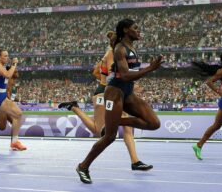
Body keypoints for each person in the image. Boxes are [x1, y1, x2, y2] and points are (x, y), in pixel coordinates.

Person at [76, 19, 163, 184]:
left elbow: (129, 76)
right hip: (114, 93)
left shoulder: (131, 47)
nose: (139, 30)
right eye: (135, 28)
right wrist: (150, 68)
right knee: (110, 137)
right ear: (125, 30)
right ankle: (83, 166)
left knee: (153, 123)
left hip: (127, 92)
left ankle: (115, 123)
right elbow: (124, 75)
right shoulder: (119, 49)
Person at [59, 31, 153, 171]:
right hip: (106, 93)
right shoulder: (111, 54)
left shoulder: (111, 53)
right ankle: (75, 108)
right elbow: (112, 75)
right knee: (99, 131)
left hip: (115, 92)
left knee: (128, 127)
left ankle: (135, 161)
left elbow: (96, 72)